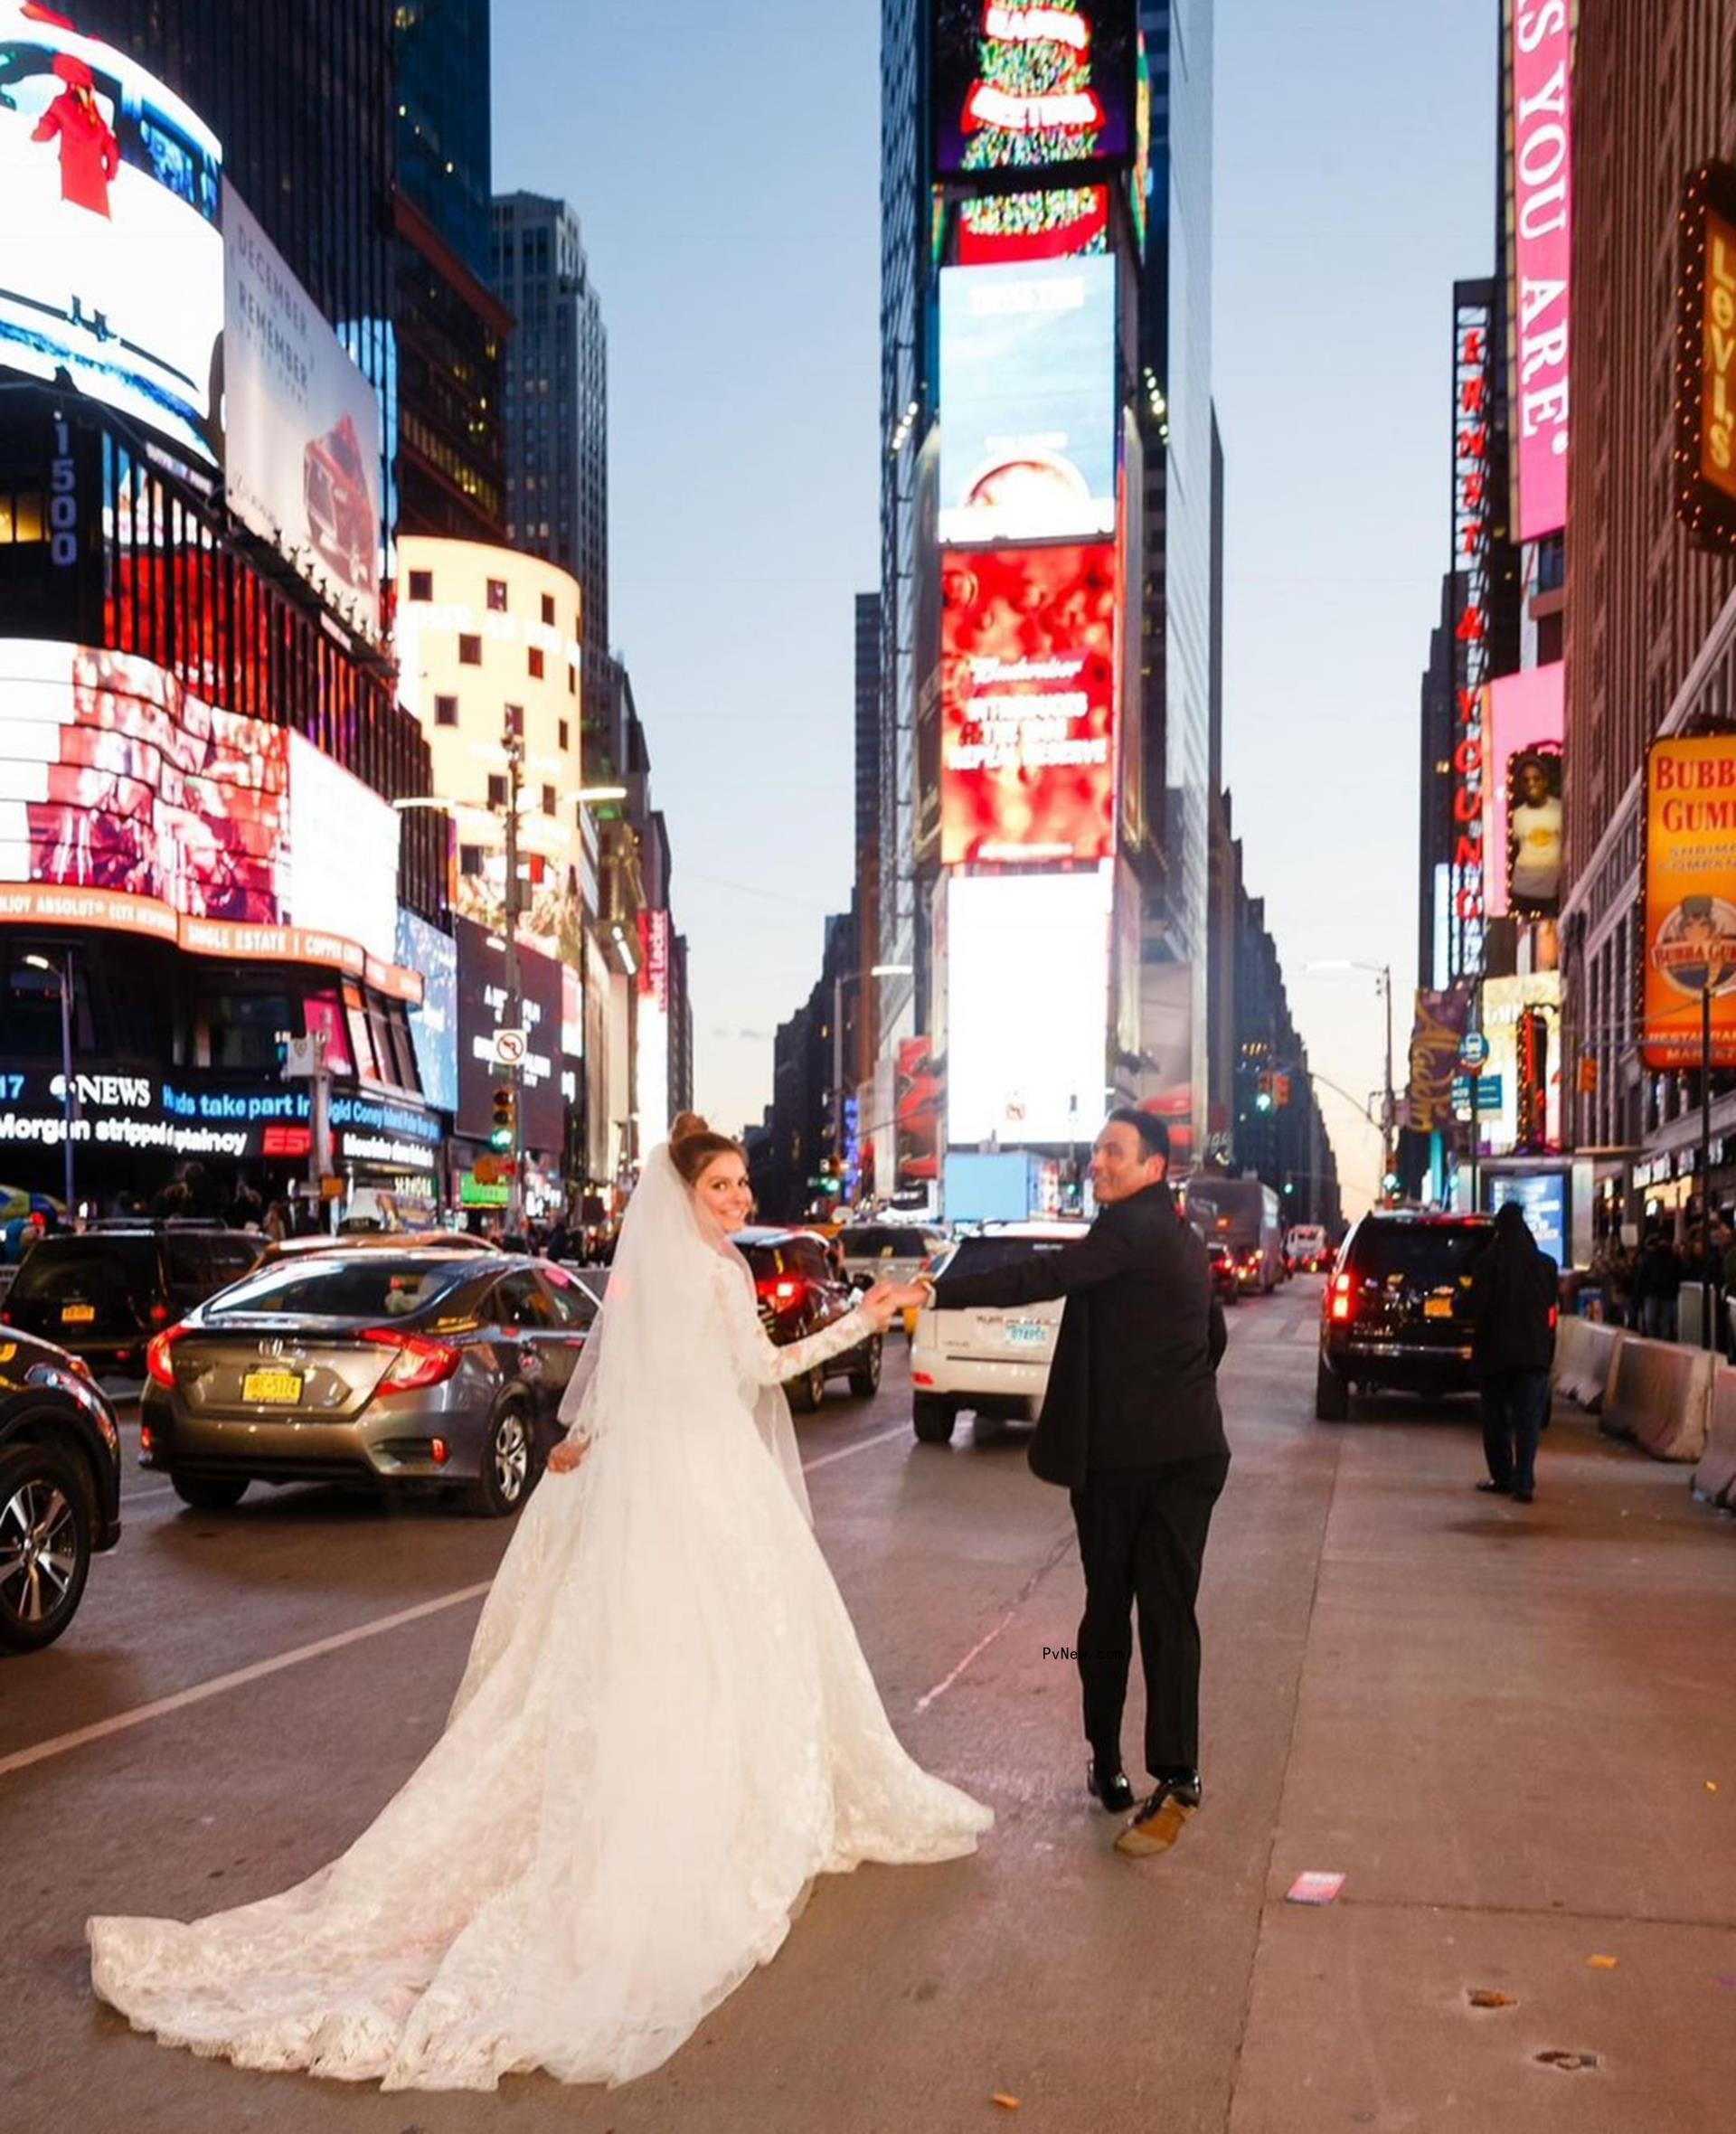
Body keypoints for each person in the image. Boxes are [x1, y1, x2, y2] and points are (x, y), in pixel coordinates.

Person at [87, 1114, 989, 2091]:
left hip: (662, 1484)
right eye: (722, 1186)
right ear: (683, 1189)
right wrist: (869, 1316)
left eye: (741, 1187)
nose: (738, 1201)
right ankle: (715, 1812)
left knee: (667, 1655)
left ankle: (706, 1790)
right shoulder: (715, 1277)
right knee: (706, 1652)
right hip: (705, 1485)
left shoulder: (658, 1276)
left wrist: (586, 1439)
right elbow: (756, 1372)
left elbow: (626, 1379)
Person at [912, 1109, 1229, 1860]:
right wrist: (1167, 1393)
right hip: (1190, 1453)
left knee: (1110, 1610)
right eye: (1095, 1154)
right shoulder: (1181, 1239)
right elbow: (1211, 1337)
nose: (1098, 1165)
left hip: (1126, 1461)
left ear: (1154, 1167)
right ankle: (1173, 1774)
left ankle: (1113, 1765)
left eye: (1113, 1154)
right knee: (1169, 1612)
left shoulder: (1127, 1232)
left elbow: (1040, 1277)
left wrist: (936, 1293)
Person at [1468, 1201, 1558, 1506]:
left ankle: (1502, 1476)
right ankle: (1524, 1481)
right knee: (1527, 1422)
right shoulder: (1545, 1265)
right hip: (1533, 1355)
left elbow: (1476, 1304)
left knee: (1496, 1421)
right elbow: (1550, 1302)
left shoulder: (1487, 1262)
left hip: (1495, 1355)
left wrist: (1457, 1305)